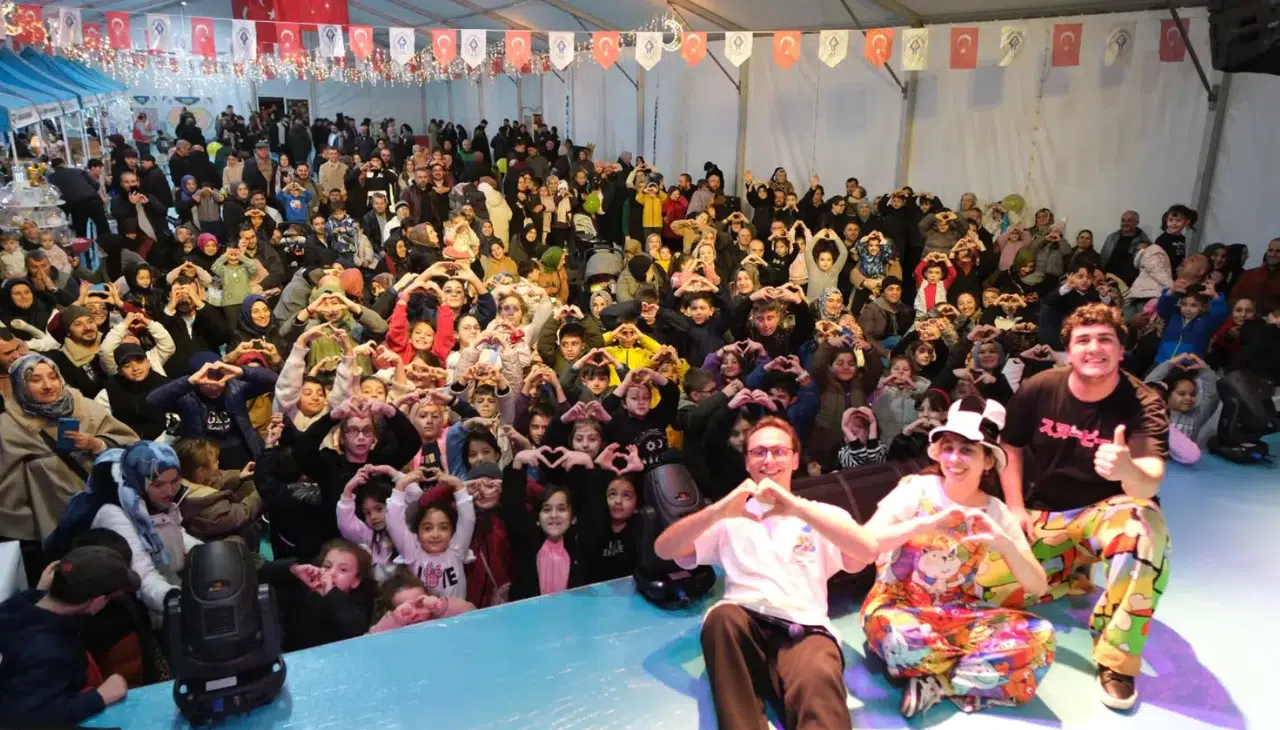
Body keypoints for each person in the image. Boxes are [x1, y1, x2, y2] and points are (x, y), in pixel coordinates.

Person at [994, 303, 1171, 710]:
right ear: (1068, 351)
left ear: (1121, 350)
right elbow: (1010, 446)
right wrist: (1015, 507)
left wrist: (1127, 469)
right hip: (1045, 512)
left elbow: (1151, 478)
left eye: (1105, 339)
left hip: (1108, 511)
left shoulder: (1143, 403)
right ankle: (1070, 572)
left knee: (1144, 532)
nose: (1094, 348)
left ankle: (1117, 659)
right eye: (1083, 340)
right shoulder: (1040, 388)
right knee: (985, 589)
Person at [654, 417, 877, 730]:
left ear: (795, 459)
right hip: (743, 623)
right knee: (721, 618)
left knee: (818, 682)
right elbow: (665, 549)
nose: (768, 460)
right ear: (747, 462)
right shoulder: (730, 517)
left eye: (778, 451)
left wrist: (797, 509)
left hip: (804, 626)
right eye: (759, 452)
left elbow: (868, 551)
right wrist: (717, 509)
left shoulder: (822, 515)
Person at [861, 397, 1054, 717]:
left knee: (1040, 635)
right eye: (948, 447)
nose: (954, 458)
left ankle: (937, 682)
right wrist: (920, 525)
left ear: (988, 460)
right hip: (897, 610)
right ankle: (974, 672)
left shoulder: (995, 511)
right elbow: (864, 542)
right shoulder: (917, 489)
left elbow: (1037, 586)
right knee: (903, 638)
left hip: (956, 615)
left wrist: (1005, 544)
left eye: (967, 450)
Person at [0, 546, 137, 725]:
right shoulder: (51, 654)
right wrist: (100, 696)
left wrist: (40, 592)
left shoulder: (22, 602)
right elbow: (28, 716)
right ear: (98, 601)